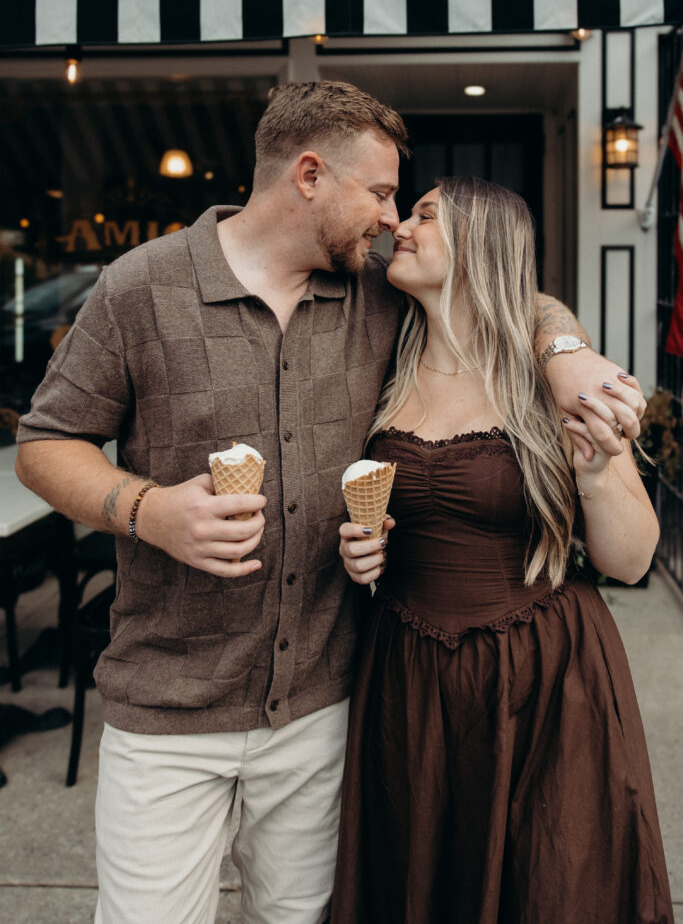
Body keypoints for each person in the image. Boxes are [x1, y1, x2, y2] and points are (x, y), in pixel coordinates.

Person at [15, 84, 646, 924]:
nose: (391, 221)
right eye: (383, 194)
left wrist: (565, 352)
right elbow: (44, 442)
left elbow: (500, 290)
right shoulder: (142, 287)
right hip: (171, 704)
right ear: (309, 174)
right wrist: (146, 510)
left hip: (324, 701)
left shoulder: (379, 293)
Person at [332, 177, 673, 924]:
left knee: (547, 880)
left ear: (480, 244)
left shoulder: (550, 379)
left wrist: (592, 473)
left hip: (542, 675)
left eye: (425, 215)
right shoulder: (384, 353)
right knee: (423, 877)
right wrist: (362, 554)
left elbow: (629, 560)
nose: (400, 227)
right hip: (408, 671)